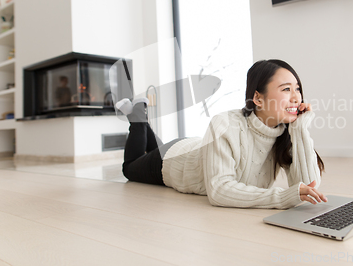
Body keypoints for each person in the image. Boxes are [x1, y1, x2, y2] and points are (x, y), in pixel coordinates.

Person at [118, 59, 326, 209]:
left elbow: (309, 187)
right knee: (131, 167)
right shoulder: (225, 123)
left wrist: (300, 128)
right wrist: (281, 198)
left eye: (297, 89)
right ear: (258, 98)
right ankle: (138, 118)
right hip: (172, 161)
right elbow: (219, 191)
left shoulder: (285, 132)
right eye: (286, 89)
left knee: (153, 149)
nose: (296, 97)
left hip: (196, 147)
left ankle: (140, 116)